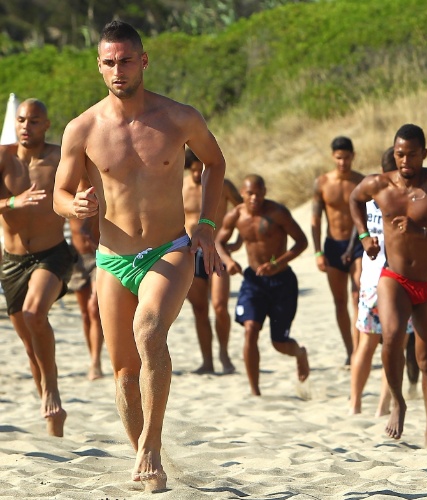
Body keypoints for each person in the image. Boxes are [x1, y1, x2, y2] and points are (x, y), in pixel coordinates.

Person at [53, 21, 227, 492]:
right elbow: (59, 194)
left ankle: (151, 445)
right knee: (126, 375)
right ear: (98, 66)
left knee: (149, 329)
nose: (118, 70)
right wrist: (76, 206)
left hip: (168, 251)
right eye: (109, 62)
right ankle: (146, 462)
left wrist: (206, 227)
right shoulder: (82, 128)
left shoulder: (178, 118)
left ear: (143, 61)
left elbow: (215, 163)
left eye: (126, 60)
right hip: (113, 257)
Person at [349, 124, 427, 446]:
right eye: (400, 154)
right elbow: (354, 198)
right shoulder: (380, 185)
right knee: (390, 338)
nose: (405, 161)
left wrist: (424, 233)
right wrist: (364, 236)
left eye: (412, 154)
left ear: (424, 154)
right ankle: (398, 402)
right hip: (395, 278)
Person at [0, 98, 73, 437]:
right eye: (21, 120)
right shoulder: (3, 158)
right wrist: (13, 201)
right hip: (12, 262)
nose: (26, 126)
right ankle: (53, 419)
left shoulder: (60, 157)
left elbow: (93, 186)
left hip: (51, 254)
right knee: (31, 345)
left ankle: (52, 389)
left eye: (34, 121)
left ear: (46, 125)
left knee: (34, 314)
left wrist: (86, 221)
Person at [216, 174, 310, 396]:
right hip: (253, 281)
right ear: (242, 193)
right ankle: (255, 390)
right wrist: (228, 261)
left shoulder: (277, 212)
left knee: (279, 342)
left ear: (265, 192)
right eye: (250, 193)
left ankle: (299, 353)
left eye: (259, 193)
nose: (255, 198)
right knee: (250, 330)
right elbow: (218, 241)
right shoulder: (236, 215)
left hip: (282, 281)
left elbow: (302, 241)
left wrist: (277, 264)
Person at [349, 147, 416, 416]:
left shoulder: (369, 194)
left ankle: (354, 403)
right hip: (396, 279)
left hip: (370, 276)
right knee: (394, 344)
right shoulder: (404, 195)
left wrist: (364, 238)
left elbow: (355, 209)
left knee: (366, 343)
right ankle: (382, 407)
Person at [183, 148, 242, 374]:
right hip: (190, 251)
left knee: (219, 306)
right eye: (194, 170)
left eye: (202, 169)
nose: (198, 175)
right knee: (199, 309)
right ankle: (207, 361)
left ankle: (224, 353)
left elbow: (244, 210)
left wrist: (237, 242)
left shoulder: (222, 185)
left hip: (217, 249)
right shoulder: (180, 188)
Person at [312, 136, 365, 366]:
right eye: (339, 158)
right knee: (340, 300)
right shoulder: (322, 183)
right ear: (333, 157)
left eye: (346, 157)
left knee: (357, 295)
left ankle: (359, 350)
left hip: (358, 247)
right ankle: (350, 349)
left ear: (353, 156)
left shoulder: (362, 182)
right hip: (332, 245)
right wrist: (317, 252)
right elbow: (315, 220)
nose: (343, 162)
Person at [67, 177, 104, 381]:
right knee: (84, 312)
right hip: (77, 257)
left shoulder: (100, 186)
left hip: (100, 255)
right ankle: (92, 356)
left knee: (94, 309)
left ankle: (95, 362)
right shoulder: (67, 189)